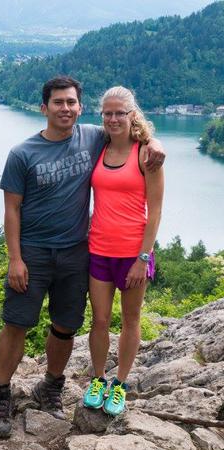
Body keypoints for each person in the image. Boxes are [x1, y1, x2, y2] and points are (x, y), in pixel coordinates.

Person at [0, 76, 165, 439]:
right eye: (58, 102)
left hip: (76, 252)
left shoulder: (93, 136)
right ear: (44, 107)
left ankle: (51, 387)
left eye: (71, 102)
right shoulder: (22, 153)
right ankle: (1, 393)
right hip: (34, 253)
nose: (65, 108)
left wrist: (155, 142)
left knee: (66, 326)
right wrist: (15, 259)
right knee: (16, 323)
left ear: (80, 108)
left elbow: (131, 132)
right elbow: (11, 210)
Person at [82, 87, 164, 416]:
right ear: (101, 115)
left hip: (134, 254)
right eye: (108, 113)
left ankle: (120, 385)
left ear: (132, 114)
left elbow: (155, 212)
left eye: (120, 113)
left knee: (131, 320)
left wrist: (142, 259)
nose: (114, 119)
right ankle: (98, 378)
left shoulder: (147, 154)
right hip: (99, 250)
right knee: (99, 320)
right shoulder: (98, 147)